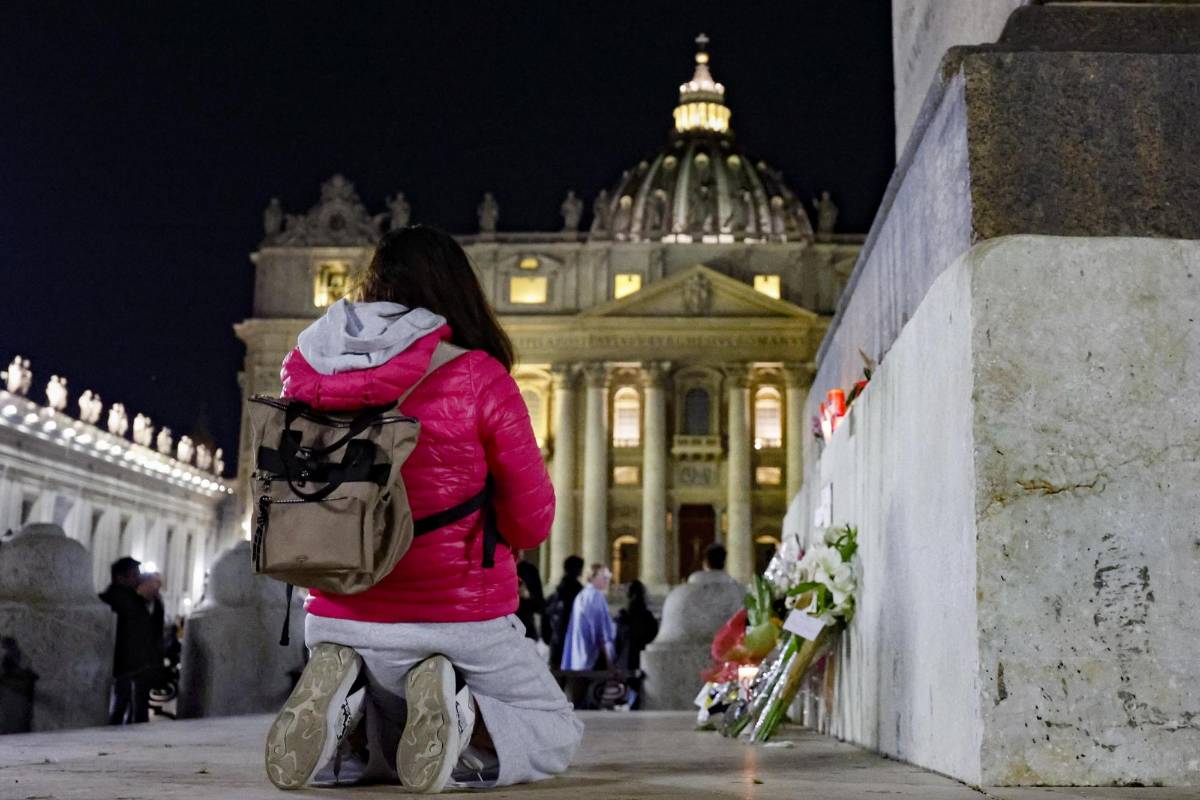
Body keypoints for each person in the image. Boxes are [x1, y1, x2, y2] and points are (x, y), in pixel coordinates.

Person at [265, 224, 582, 794]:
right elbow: (531, 523)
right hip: (455, 614)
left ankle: (349, 713)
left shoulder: (305, 369)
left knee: (392, 744)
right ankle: (460, 710)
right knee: (555, 731)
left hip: (335, 608)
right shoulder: (479, 375)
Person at [99, 557, 164, 725]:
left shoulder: (133, 599)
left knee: (133, 708)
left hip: (136, 663)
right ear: (120, 577)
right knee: (123, 706)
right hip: (124, 664)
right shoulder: (115, 600)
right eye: (134, 575)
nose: (138, 579)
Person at [560, 565, 616, 672]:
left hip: (578, 659)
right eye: (604, 576)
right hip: (593, 659)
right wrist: (610, 661)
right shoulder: (596, 596)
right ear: (592, 577)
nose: (607, 580)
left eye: (608, 576)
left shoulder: (581, 595)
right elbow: (600, 631)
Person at [541, 556, 584, 669]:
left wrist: (548, 638)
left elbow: (545, 617)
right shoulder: (580, 594)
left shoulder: (556, 594)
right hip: (572, 645)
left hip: (556, 644)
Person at [614, 580, 658, 672]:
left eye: (625, 593)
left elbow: (617, 646)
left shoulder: (623, 618)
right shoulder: (649, 618)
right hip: (641, 667)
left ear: (633, 596)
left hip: (626, 666)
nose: (623, 597)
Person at [514, 553, 545, 641]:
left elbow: (540, 605)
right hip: (504, 627)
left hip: (525, 627)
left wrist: (528, 595)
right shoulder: (499, 568)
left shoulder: (530, 570)